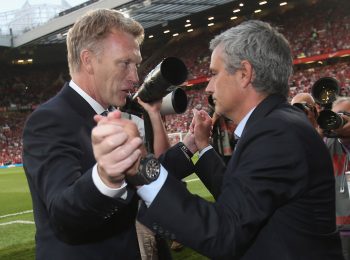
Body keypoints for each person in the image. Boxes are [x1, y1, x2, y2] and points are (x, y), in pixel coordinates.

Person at [92, 20, 344, 259]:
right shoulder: (276, 125)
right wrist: (201, 146)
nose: (209, 87)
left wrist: (142, 167)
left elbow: (225, 233)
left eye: (214, 73)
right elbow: (236, 201)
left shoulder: (276, 132)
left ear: (244, 73)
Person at [22, 8, 171, 260]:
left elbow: (142, 179)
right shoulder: (49, 120)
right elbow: (63, 213)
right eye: (125, 63)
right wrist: (105, 177)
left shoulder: (116, 112)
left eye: (135, 65)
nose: (135, 77)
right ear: (88, 60)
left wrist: (187, 148)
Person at [323, 97, 350, 260]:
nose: (340, 120)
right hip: (340, 229)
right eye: (336, 116)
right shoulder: (323, 145)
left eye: (346, 115)